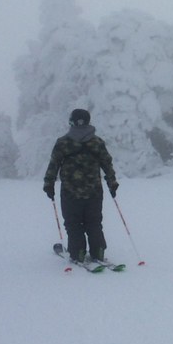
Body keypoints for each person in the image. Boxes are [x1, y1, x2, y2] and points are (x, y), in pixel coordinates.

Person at [43, 108, 118, 264]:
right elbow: (107, 163)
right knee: (94, 222)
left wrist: (49, 184)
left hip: (70, 192)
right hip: (94, 192)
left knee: (73, 223)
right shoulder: (97, 142)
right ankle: (98, 251)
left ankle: (78, 253)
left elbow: (54, 164)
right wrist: (112, 182)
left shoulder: (63, 142)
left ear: (72, 121)